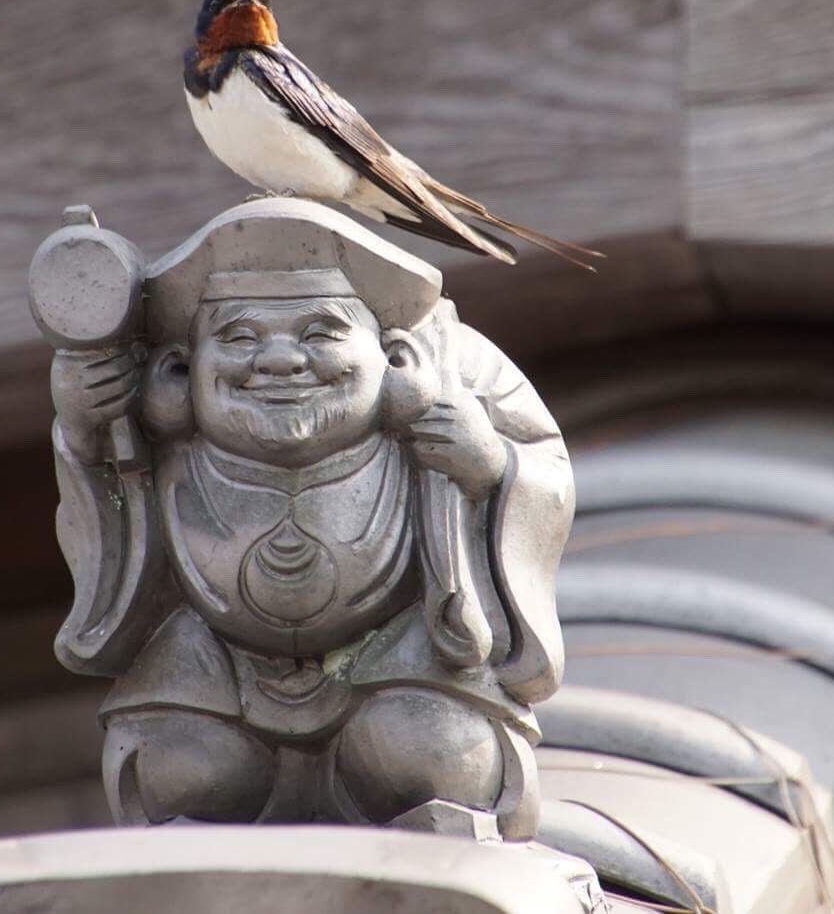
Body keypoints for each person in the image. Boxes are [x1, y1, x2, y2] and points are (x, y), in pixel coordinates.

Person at [46, 200, 573, 838]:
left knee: (428, 754)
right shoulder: (155, 428)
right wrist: (85, 431)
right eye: (238, 337)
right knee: (180, 771)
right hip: (215, 667)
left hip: (401, 658)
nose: (279, 360)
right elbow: (105, 518)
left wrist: (489, 466)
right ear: (181, 371)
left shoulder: (456, 373)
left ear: (393, 354)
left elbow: (546, 471)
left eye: (319, 333)